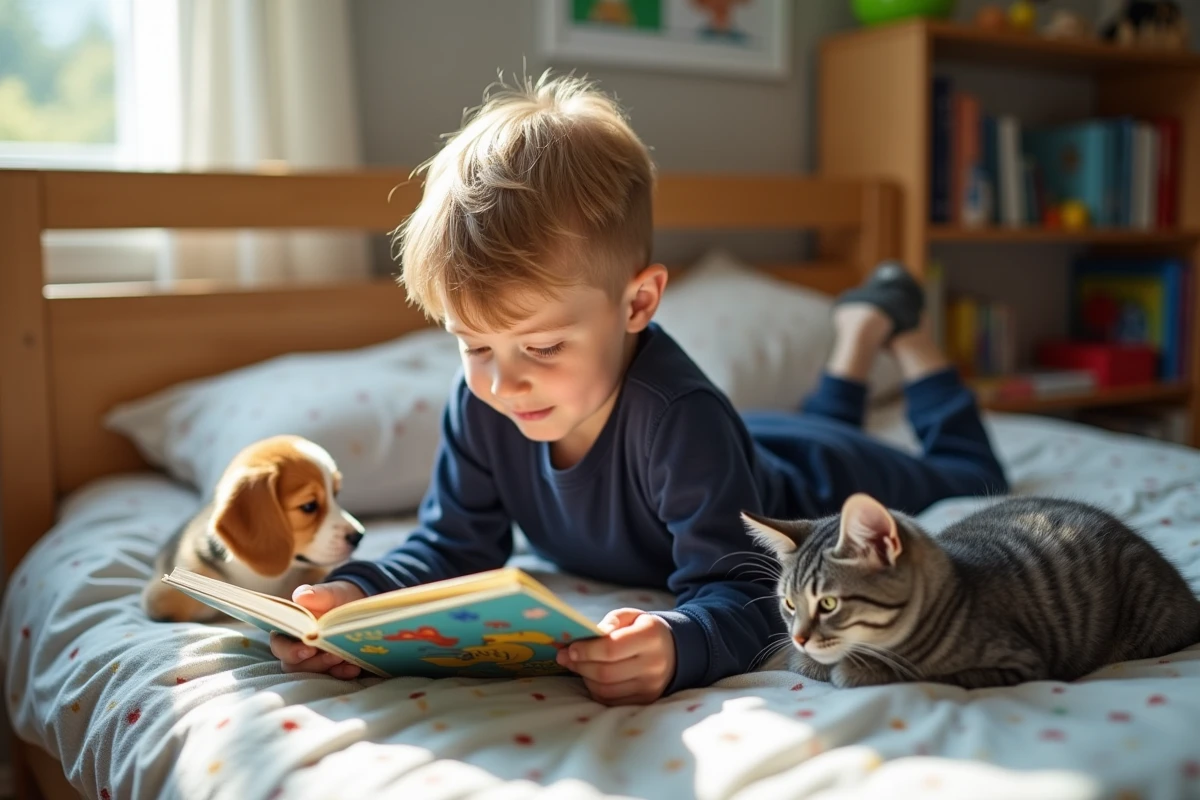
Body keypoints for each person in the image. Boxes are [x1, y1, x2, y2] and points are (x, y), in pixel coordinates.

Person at [270, 73, 1007, 704]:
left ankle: (902, 338)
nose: (503, 379)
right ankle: (854, 339)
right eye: (473, 346)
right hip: (749, 449)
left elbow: (746, 591)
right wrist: (354, 597)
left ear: (637, 305)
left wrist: (678, 644)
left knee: (971, 476)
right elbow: (451, 545)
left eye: (543, 346)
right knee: (794, 426)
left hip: (808, 484)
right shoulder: (484, 403)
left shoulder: (680, 420)